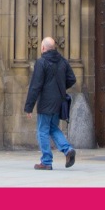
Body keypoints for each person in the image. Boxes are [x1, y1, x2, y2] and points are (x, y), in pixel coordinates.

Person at [23, 37, 77, 170]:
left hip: (46, 102)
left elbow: (35, 86)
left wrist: (29, 106)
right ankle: (68, 150)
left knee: (42, 130)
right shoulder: (63, 61)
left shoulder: (41, 62)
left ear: (42, 48)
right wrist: (61, 88)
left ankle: (46, 161)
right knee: (53, 128)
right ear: (53, 48)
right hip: (58, 101)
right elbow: (72, 79)